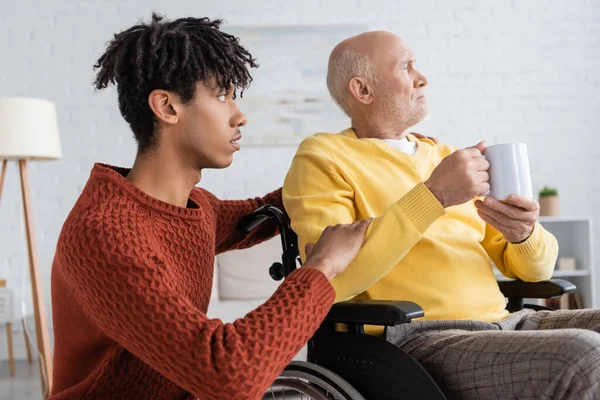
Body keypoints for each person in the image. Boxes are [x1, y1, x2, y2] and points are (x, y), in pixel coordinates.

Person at [49, 14, 371, 400]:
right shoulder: (105, 232)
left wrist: (346, 168)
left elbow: (263, 211)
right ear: (167, 107)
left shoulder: (195, 207)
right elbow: (226, 373)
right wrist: (324, 267)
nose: (239, 115)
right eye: (222, 95)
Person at [283, 30, 600, 399]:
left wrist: (524, 234)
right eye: (407, 66)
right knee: (584, 356)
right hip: (420, 339)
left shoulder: (447, 157)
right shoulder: (323, 156)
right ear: (363, 90)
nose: (423, 77)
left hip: (507, 323)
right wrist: (434, 196)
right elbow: (330, 280)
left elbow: (536, 272)